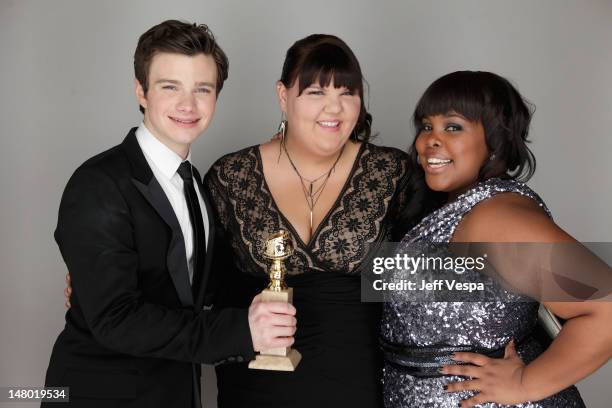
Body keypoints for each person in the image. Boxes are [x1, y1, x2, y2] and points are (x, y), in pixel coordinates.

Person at [43, 20, 297, 408]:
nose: (188, 105)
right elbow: (115, 320)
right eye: (170, 87)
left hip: (176, 392)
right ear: (141, 92)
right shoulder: (98, 183)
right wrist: (241, 331)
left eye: (202, 89)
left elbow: (193, 290)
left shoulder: (194, 180)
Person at [202, 34, 416, 407]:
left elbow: (436, 274)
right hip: (255, 385)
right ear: (283, 96)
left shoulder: (391, 172)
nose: (334, 109)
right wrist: (111, 283)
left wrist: (539, 277)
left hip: (359, 380)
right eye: (316, 92)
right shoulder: (230, 175)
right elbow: (200, 280)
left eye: (347, 93)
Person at [380, 71, 612, 407]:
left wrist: (523, 384)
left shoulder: (496, 218)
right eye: (426, 125)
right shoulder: (453, 206)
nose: (429, 140)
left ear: (494, 141)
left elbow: (605, 307)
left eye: (453, 127)